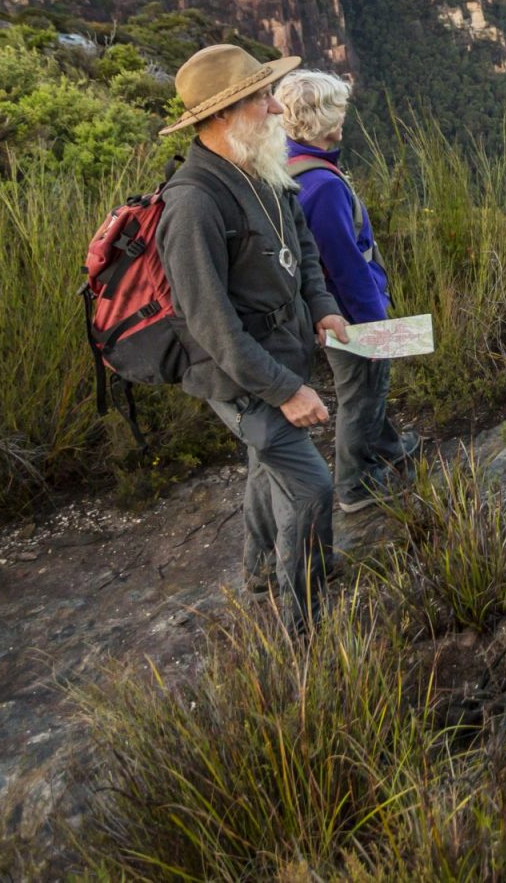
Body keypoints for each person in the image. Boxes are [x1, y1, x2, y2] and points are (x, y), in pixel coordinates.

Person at [155, 44, 350, 629]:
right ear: (221, 115)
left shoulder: (261, 165)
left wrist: (322, 307)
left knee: (268, 465)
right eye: (260, 98)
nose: (274, 108)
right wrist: (286, 391)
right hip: (242, 379)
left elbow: (304, 245)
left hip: (279, 352)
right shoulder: (192, 204)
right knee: (313, 488)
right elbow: (212, 323)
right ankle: (304, 623)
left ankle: (262, 568)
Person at [274, 69, 418, 512]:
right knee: (362, 391)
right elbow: (345, 264)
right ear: (324, 121)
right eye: (339, 110)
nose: (344, 118)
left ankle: (390, 447)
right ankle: (357, 485)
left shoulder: (284, 163)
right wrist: (375, 318)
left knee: (368, 386)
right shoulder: (323, 186)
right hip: (349, 314)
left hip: (324, 309)